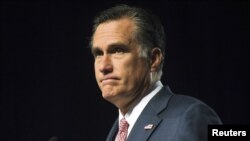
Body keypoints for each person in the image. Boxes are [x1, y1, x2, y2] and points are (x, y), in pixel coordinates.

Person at [90, 4, 222, 141]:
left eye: (118, 50)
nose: (104, 66)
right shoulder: (118, 132)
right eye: (98, 53)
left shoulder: (191, 117)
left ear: (153, 59)